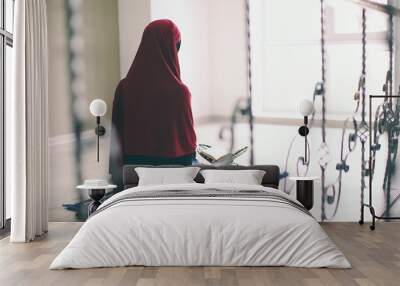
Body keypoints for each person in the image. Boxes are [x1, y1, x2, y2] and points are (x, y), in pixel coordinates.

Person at [109, 19, 197, 187]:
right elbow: (188, 148)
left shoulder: (123, 88)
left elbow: (116, 139)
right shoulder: (180, 93)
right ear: (172, 50)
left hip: (133, 172)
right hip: (174, 174)